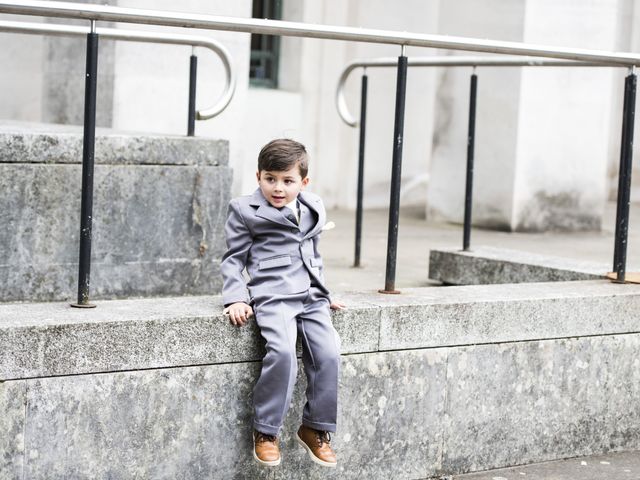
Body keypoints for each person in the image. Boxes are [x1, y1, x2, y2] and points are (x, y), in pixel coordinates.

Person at [221, 138, 344, 468]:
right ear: (258, 176)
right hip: (273, 296)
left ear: (303, 182)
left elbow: (313, 254)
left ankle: (315, 427)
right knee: (284, 353)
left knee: (329, 353)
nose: (278, 188)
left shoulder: (312, 205)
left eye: (287, 181)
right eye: (270, 179)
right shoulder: (245, 210)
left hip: (312, 297)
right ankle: (266, 431)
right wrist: (235, 298)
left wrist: (325, 292)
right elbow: (233, 260)